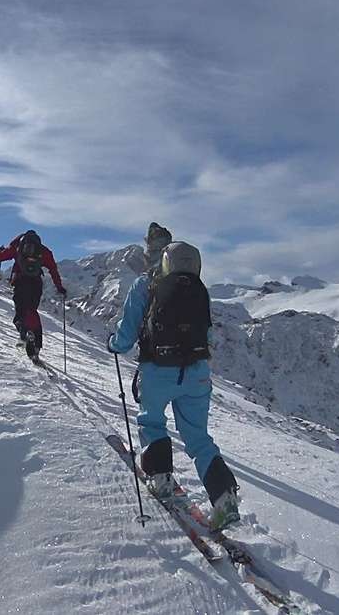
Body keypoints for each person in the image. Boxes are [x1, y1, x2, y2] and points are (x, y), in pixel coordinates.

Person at [107, 223, 241, 531]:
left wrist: (114, 344)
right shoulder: (198, 289)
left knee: (152, 422)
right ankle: (225, 501)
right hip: (196, 373)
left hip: (158, 370)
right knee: (199, 438)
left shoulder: (145, 284)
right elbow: (207, 335)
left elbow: (126, 335)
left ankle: (161, 479)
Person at [0, 229, 67, 359]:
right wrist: (59, 287)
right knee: (32, 311)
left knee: (20, 314)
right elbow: (53, 270)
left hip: (20, 283)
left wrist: (1, 250)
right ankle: (36, 346)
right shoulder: (43, 251)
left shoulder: (17, 247)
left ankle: (25, 335)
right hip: (36, 284)